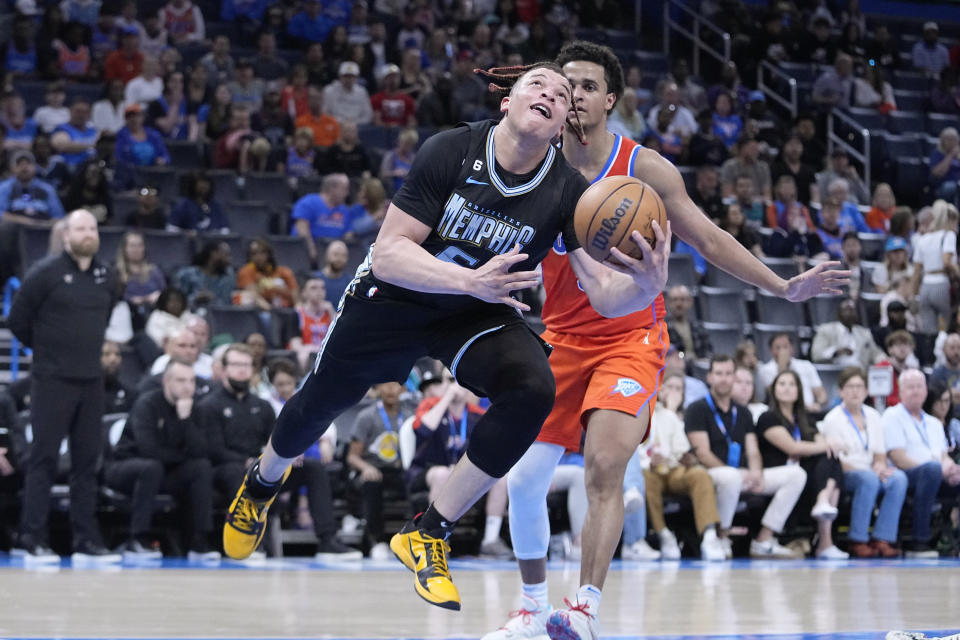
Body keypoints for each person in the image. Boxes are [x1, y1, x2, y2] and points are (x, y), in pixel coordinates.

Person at [220, 59, 672, 612]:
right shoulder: (451, 150)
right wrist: (469, 280)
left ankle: (427, 532)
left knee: (532, 388)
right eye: (538, 84)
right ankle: (262, 484)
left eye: (562, 95)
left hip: (472, 312)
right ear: (507, 102)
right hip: (398, 296)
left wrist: (646, 285)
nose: (552, 95)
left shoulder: (567, 193)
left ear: (562, 127)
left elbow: (603, 291)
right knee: (319, 404)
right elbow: (388, 255)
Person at [486, 43, 846, 640]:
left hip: (632, 335)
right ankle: (528, 607)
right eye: (563, 81)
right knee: (523, 478)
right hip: (562, 337)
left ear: (609, 99)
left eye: (585, 83)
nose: (571, 92)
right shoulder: (536, 163)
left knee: (605, 465)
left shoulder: (643, 166)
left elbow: (705, 239)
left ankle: (583, 609)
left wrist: (782, 287)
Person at [8, 209, 120, 563]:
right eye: (80, 228)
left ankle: (86, 541)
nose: (87, 233)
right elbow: (17, 321)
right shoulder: (45, 273)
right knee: (43, 459)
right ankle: (32, 539)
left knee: (87, 462)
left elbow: (103, 317)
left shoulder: (107, 276)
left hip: (91, 380)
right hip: (52, 379)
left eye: (92, 227)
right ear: (66, 235)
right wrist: (48, 353)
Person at [686, 356, 805, 560]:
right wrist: (736, 472)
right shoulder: (697, 409)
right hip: (712, 473)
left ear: (734, 378)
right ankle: (722, 536)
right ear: (709, 377)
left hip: (744, 475)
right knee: (730, 477)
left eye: (728, 374)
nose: (724, 379)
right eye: (719, 374)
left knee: (797, 474)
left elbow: (752, 450)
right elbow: (702, 453)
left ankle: (764, 539)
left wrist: (756, 473)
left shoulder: (743, 412)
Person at [105, 359, 218, 561]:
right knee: (151, 467)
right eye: (181, 380)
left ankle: (199, 541)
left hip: (165, 470)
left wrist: (185, 421)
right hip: (125, 467)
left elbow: (202, 451)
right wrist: (183, 456)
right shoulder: (147, 404)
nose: (187, 387)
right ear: (166, 381)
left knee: (200, 467)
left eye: (192, 381)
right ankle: (138, 539)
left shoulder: (196, 409)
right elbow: (148, 450)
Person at [409, 373, 512, 558]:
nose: (455, 385)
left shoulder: (478, 414)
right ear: (441, 384)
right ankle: (436, 541)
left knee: (500, 477)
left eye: (461, 380)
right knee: (441, 475)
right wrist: (446, 398)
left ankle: (490, 540)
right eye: (449, 380)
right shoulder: (429, 406)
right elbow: (422, 431)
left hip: (463, 473)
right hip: (427, 470)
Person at [755, 370, 849, 559]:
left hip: (805, 479)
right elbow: (792, 448)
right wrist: (824, 445)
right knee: (827, 454)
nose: (787, 388)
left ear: (799, 390)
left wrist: (827, 444)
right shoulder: (767, 417)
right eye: (782, 384)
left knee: (831, 458)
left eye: (792, 384)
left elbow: (821, 443)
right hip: (778, 476)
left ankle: (825, 531)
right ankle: (824, 532)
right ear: (774, 390)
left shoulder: (805, 418)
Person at [637, 371, 725, 561]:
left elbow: (682, 448)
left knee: (700, 475)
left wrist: (688, 459)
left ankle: (709, 535)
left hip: (673, 469)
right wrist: (647, 461)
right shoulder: (637, 413)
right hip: (649, 471)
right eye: (668, 387)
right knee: (647, 478)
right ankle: (663, 534)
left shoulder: (669, 417)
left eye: (679, 389)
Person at [821, 367, 906, 558]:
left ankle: (882, 537)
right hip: (846, 472)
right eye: (850, 387)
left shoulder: (874, 415)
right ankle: (857, 540)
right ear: (841, 391)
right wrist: (870, 472)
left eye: (859, 386)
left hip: (870, 470)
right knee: (868, 479)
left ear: (866, 391)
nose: (855, 391)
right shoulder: (833, 419)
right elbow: (835, 461)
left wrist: (880, 466)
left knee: (898, 478)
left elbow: (880, 451)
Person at [883, 369, 960, 557]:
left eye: (919, 386)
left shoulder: (934, 423)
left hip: (936, 473)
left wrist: (952, 469)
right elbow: (897, 457)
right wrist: (936, 470)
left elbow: (943, 456)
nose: (916, 391)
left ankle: (954, 541)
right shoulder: (892, 416)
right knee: (931, 470)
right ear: (900, 391)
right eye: (910, 387)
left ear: (926, 391)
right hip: (905, 474)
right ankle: (919, 542)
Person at [911, 200, 958, 340]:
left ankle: (929, 360)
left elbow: (916, 272)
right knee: (949, 328)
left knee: (929, 333)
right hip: (942, 284)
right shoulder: (948, 235)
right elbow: (946, 262)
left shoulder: (922, 239)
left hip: (925, 286)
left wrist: (913, 297)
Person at [291, 173, 354, 264]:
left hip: (335, 257)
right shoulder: (308, 203)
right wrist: (312, 253)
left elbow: (348, 234)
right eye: (345, 189)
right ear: (332, 188)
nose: (347, 194)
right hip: (308, 255)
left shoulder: (345, 210)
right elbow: (302, 229)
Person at [758, 333, 829, 413]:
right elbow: (774, 396)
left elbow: (821, 394)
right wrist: (782, 366)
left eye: (785, 347)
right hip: (782, 413)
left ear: (792, 348)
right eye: (778, 348)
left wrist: (818, 404)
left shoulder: (806, 365)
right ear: (771, 351)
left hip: (809, 411)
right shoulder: (766, 370)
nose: (782, 351)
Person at [811, 297, 885, 369]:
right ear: (838, 314)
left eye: (853, 310)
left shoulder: (864, 333)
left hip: (860, 372)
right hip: (835, 372)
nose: (851, 313)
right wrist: (836, 351)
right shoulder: (826, 330)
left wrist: (885, 361)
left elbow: (876, 354)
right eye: (847, 310)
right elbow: (816, 354)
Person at [236, 237, 299, 310]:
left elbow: (296, 299)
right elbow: (254, 295)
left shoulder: (284, 271)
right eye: (254, 254)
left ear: (269, 254)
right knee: (246, 297)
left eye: (262, 252)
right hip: (261, 311)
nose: (258, 257)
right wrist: (270, 311)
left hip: (283, 309)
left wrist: (278, 289)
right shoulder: (246, 271)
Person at [102, 340, 137, 413]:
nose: (113, 359)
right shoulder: (87, 395)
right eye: (106, 354)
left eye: (117, 354)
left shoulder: (130, 394)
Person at [380, 128, 418, 194]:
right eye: (406, 143)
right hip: (393, 191)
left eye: (411, 144)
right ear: (399, 141)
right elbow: (382, 174)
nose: (408, 146)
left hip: (410, 191)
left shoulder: (413, 158)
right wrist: (395, 173)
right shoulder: (390, 156)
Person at [929, 127, 959, 204]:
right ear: (943, 141)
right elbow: (937, 173)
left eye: (954, 139)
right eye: (949, 139)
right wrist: (951, 155)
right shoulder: (937, 153)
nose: (952, 142)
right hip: (943, 185)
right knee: (952, 187)